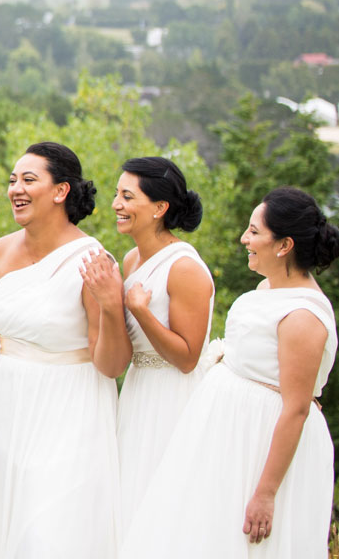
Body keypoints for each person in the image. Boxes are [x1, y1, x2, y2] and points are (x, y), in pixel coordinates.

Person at [120, 187, 339, 558]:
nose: (244, 238)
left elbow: (296, 409)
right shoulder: (268, 288)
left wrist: (265, 493)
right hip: (228, 436)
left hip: (263, 444)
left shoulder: (303, 317)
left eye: (254, 232)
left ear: (284, 245)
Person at [0, 141, 125, 559]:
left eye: (28, 180)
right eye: (12, 180)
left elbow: (111, 364)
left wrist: (111, 305)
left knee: (45, 535)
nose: (15, 188)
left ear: (60, 191)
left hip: (64, 416)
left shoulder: (92, 260)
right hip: (0, 411)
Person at [109, 156, 213, 525]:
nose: (116, 205)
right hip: (137, 389)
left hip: (173, 397)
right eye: (117, 194)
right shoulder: (131, 259)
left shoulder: (184, 267)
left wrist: (143, 312)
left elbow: (187, 358)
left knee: (162, 506)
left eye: (127, 196)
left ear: (159, 208)